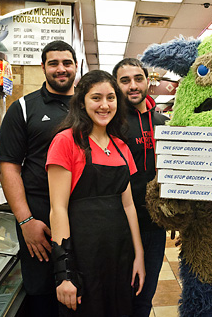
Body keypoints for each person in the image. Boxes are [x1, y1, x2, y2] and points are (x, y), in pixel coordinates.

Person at [47, 70, 145, 315]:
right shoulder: (66, 141)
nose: (105, 105)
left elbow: (128, 205)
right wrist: (64, 273)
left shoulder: (121, 146)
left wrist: (139, 255)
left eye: (111, 98)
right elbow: (57, 209)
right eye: (96, 98)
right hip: (82, 255)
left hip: (120, 254)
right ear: (82, 102)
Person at [0, 40, 77, 316]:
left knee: (83, 290)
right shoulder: (23, 108)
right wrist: (26, 221)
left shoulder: (90, 106)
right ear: (43, 67)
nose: (61, 69)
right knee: (42, 294)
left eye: (67, 62)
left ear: (76, 66)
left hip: (82, 215)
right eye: (53, 63)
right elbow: (9, 166)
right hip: (39, 217)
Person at [113, 58, 169, 316]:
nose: (133, 86)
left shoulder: (164, 123)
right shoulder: (110, 122)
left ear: (148, 82)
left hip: (154, 225)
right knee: (118, 297)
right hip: (117, 224)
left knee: (144, 298)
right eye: (125, 81)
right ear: (116, 85)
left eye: (138, 79)